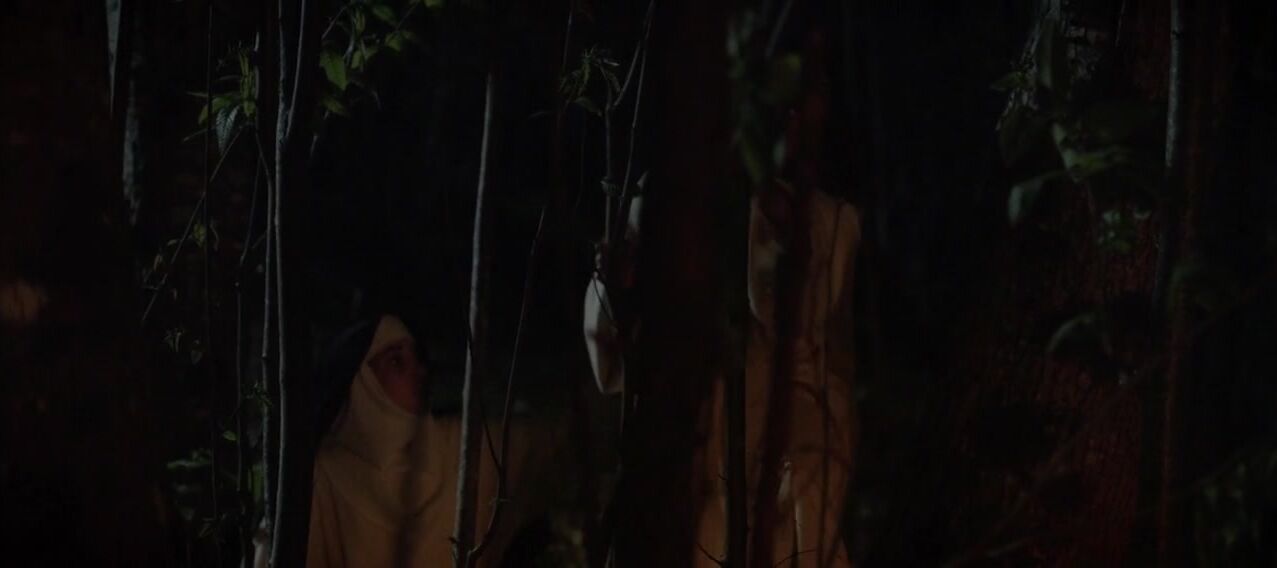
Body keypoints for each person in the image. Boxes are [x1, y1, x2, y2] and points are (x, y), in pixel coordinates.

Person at [258, 314, 553, 567]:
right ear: (364, 383)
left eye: (418, 359)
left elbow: (544, 441)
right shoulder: (321, 477)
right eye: (397, 361)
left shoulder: (460, 446)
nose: (420, 371)